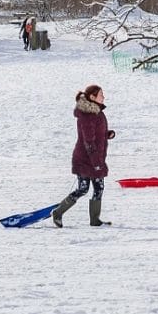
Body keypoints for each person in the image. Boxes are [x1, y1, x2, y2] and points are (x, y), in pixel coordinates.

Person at [52, 84, 115, 227]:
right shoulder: (87, 115)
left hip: (93, 158)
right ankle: (58, 212)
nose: (104, 97)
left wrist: (106, 134)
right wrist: (97, 163)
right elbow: (88, 141)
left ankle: (94, 219)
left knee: (97, 188)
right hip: (85, 159)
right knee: (83, 189)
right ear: (93, 97)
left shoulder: (97, 112)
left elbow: (95, 134)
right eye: (101, 95)